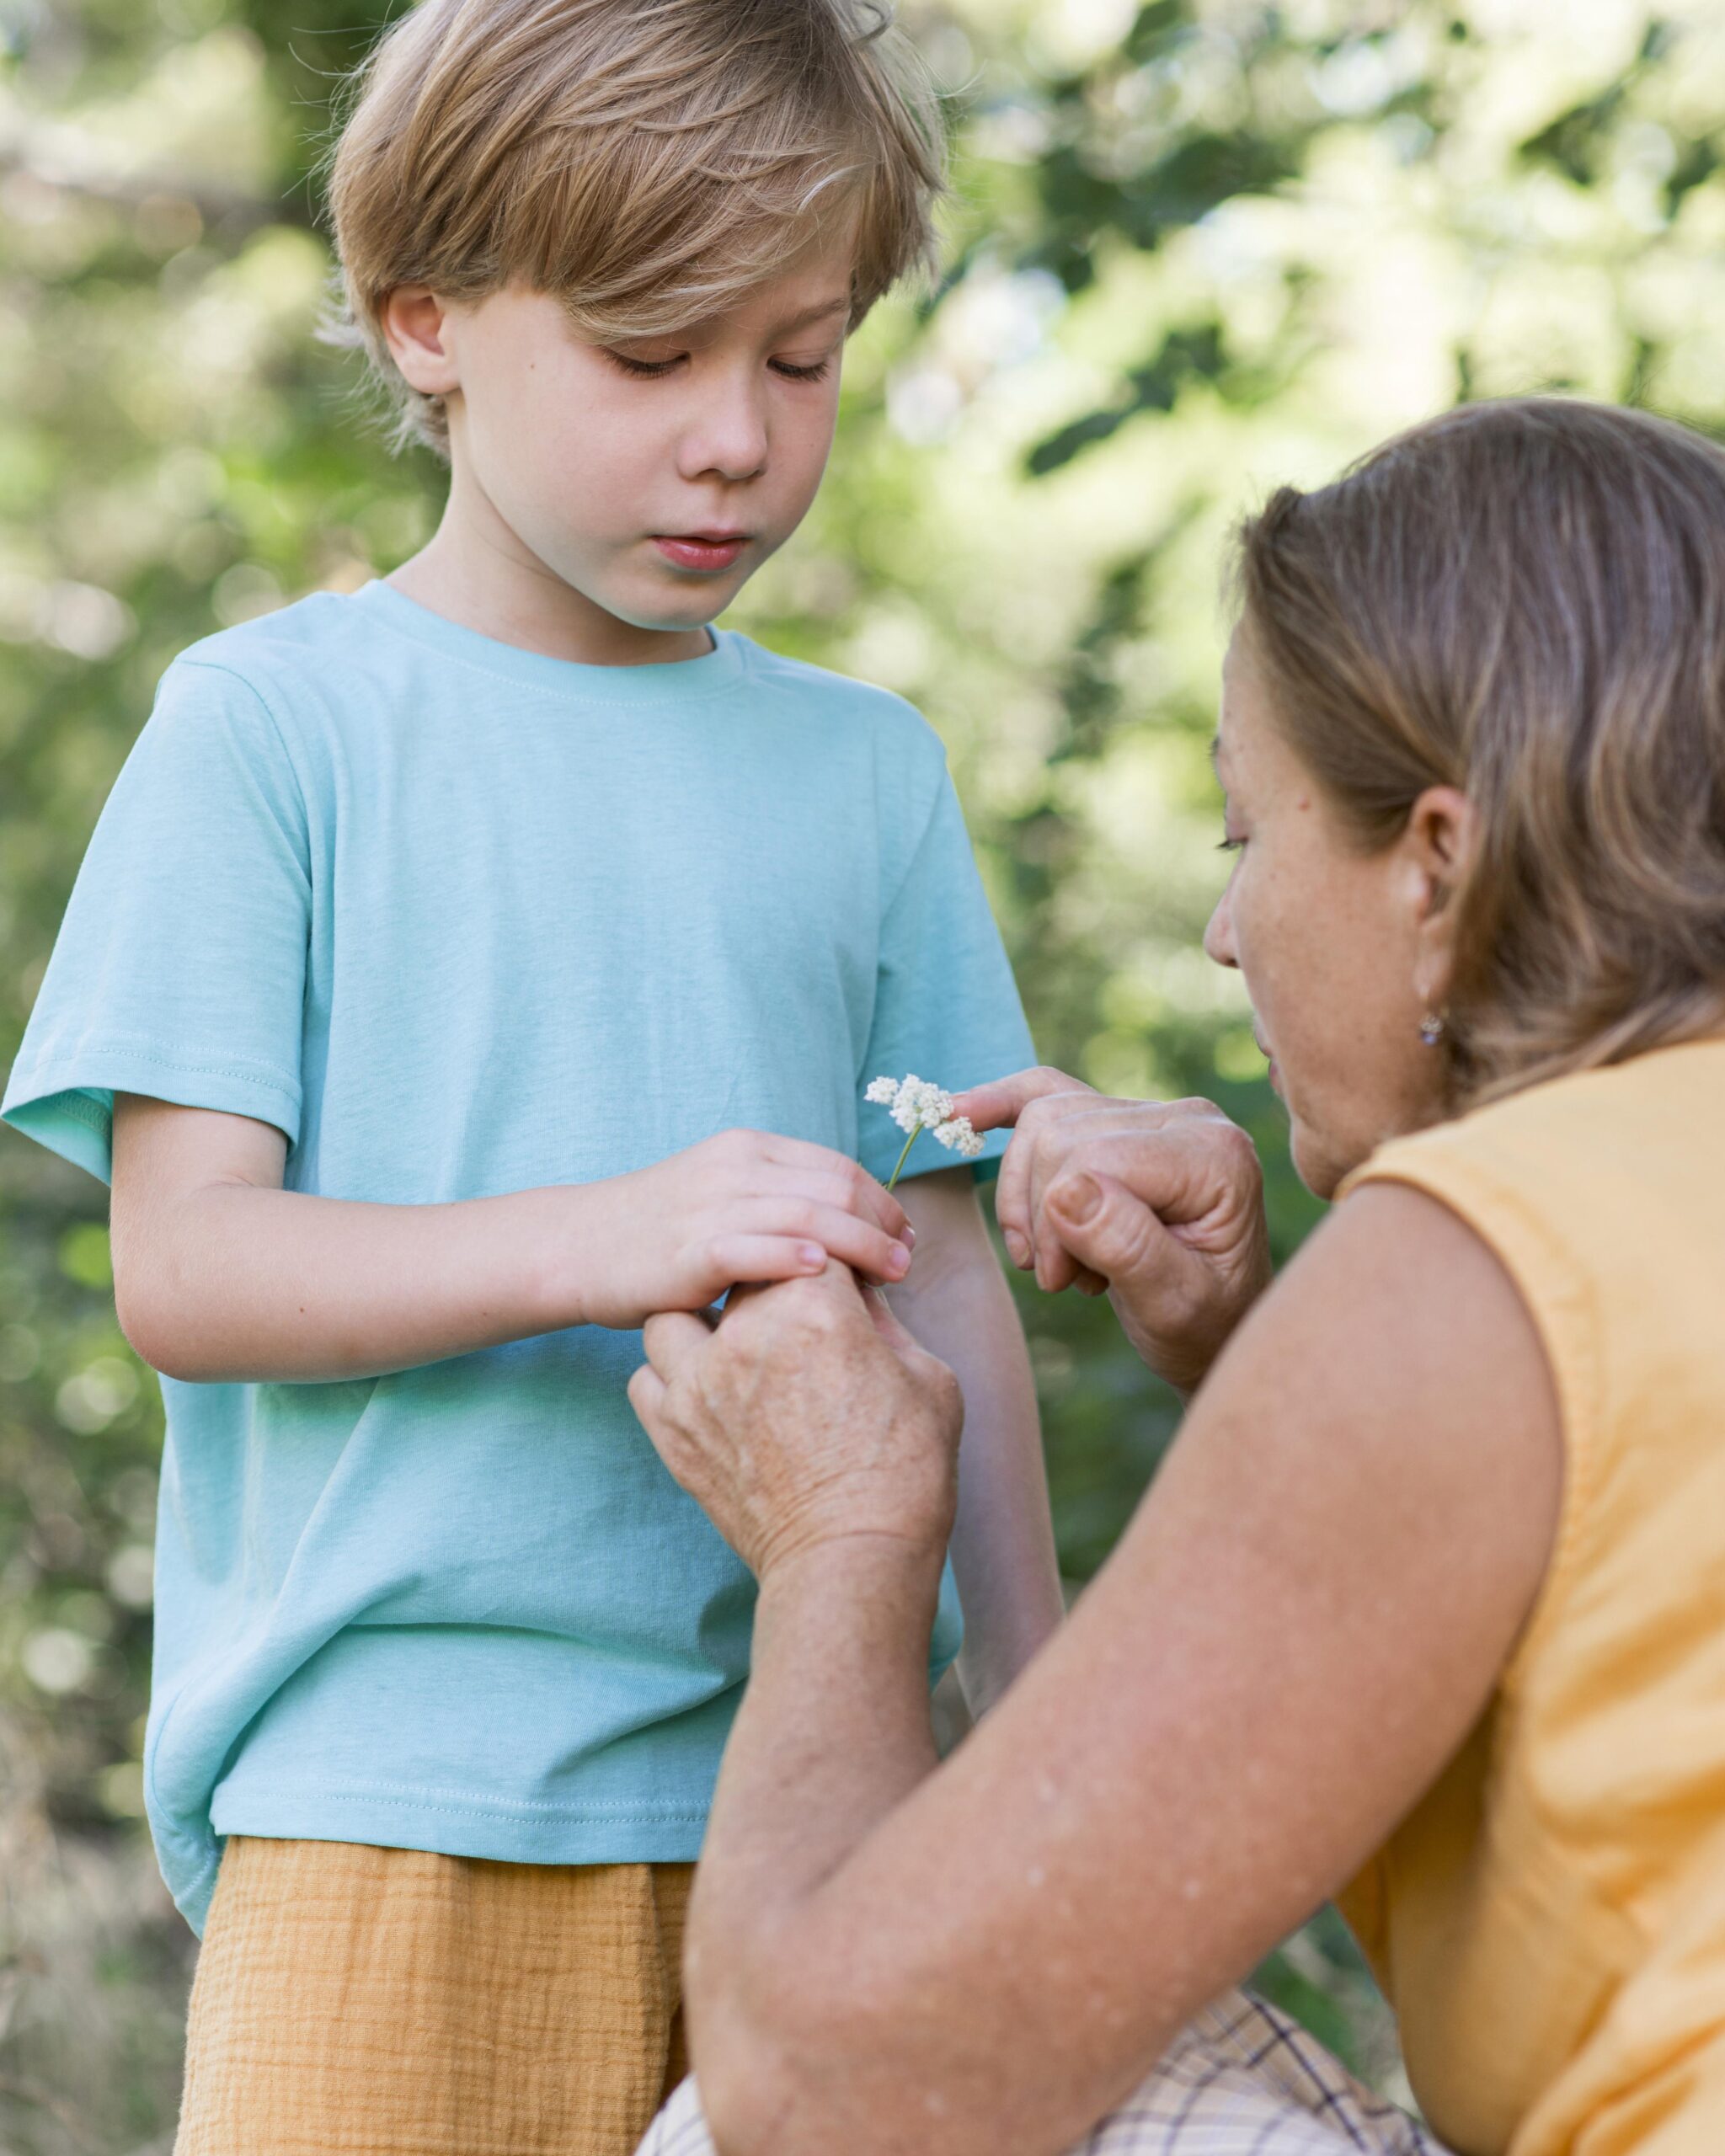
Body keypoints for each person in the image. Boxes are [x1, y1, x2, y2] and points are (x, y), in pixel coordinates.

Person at [0, 3, 1063, 2148]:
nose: (739, 441)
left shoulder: (867, 772)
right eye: (650, 354)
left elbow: (945, 1277)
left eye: (800, 352)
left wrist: (1034, 1732)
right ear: (426, 326)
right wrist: (610, 1231)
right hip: (389, 1809)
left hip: (820, 1797)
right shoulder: (270, 729)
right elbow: (189, 1271)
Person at [626, 397, 1725, 2156]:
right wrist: (1254, 1347)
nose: (1226, 929)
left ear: (1436, 868)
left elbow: (824, 2086)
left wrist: (841, 1537)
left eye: (1245, 836)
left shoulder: (1477, 1251)